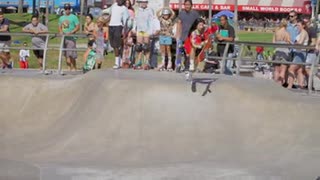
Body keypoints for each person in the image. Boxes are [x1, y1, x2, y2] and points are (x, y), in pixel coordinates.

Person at [176, 0, 199, 71]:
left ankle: (187, 66)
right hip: (183, 35)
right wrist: (178, 36)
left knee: (188, 52)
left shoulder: (195, 14)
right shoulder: (181, 13)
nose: (187, 6)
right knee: (179, 51)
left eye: (188, 5)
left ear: (191, 5)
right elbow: (179, 24)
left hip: (191, 36)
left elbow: (198, 24)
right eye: (185, 5)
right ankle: (178, 65)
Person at [132, 0, 154, 69]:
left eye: (145, 2)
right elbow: (135, 20)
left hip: (147, 30)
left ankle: (147, 62)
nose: (143, 3)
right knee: (138, 47)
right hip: (139, 30)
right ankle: (139, 61)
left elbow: (151, 21)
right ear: (140, 3)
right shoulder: (138, 10)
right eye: (142, 2)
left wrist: (150, 31)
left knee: (146, 47)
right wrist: (134, 28)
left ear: (147, 3)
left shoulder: (149, 10)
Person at [287, 20, 309, 89]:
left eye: (299, 25)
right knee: (299, 71)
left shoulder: (303, 32)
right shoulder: (300, 32)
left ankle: (290, 86)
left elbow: (300, 42)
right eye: (297, 26)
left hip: (300, 53)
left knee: (291, 69)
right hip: (299, 53)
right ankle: (300, 86)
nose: (297, 27)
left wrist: (292, 43)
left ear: (303, 26)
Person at [58, 3, 80, 71]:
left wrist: (72, 32)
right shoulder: (61, 18)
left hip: (71, 38)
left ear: (70, 9)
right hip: (64, 38)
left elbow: (78, 26)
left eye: (68, 9)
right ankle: (69, 68)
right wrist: (61, 31)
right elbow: (59, 27)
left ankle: (74, 67)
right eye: (65, 9)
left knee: (71, 54)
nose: (67, 10)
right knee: (66, 54)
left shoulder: (74, 17)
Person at [108, 0, 129, 69]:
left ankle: (117, 62)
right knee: (113, 45)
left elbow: (125, 21)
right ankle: (119, 59)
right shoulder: (113, 6)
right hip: (111, 26)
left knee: (117, 45)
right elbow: (110, 15)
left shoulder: (124, 8)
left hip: (118, 26)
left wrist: (125, 32)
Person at [272, 19, 291, 85]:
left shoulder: (277, 32)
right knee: (283, 70)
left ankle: (275, 84)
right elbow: (289, 43)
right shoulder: (287, 33)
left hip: (277, 51)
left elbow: (273, 43)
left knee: (276, 70)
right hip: (285, 52)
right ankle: (280, 84)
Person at [303, 16, 318, 80]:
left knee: (307, 68)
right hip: (307, 51)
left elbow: (313, 42)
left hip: (311, 52)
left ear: (309, 21)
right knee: (305, 69)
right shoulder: (305, 29)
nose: (305, 23)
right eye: (304, 22)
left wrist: (306, 48)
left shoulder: (312, 30)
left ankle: (311, 84)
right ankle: (309, 84)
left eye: (306, 22)